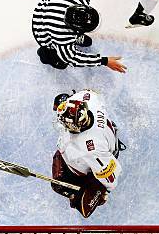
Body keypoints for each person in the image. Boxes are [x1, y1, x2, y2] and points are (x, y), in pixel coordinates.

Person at [51, 89, 125, 217]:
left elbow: (111, 176)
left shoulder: (91, 150)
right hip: (107, 140)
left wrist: (101, 191)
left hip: (100, 161)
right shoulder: (88, 99)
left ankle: (77, 194)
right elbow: (89, 92)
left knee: (58, 184)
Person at [32, 0, 127, 72]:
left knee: (87, 42)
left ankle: (74, 38)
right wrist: (105, 61)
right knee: (61, 64)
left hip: (46, 8)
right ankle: (45, 54)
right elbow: (71, 59)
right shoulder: (61, 35)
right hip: (41, 30)